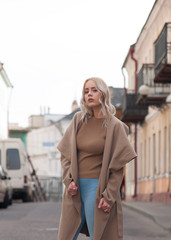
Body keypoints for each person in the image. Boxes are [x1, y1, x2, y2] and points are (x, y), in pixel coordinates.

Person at [57, 77, 137, 240]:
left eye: (94, 90)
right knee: (66, 236)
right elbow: (66, 156)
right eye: (86, 91)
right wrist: (68, 180)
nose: (89, 94)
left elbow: (118, 167)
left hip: (98, 188)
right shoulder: (78, 120)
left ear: (104, 94)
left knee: (99, 236)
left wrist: (109, 196)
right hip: (74, 189)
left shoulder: (115, 125)